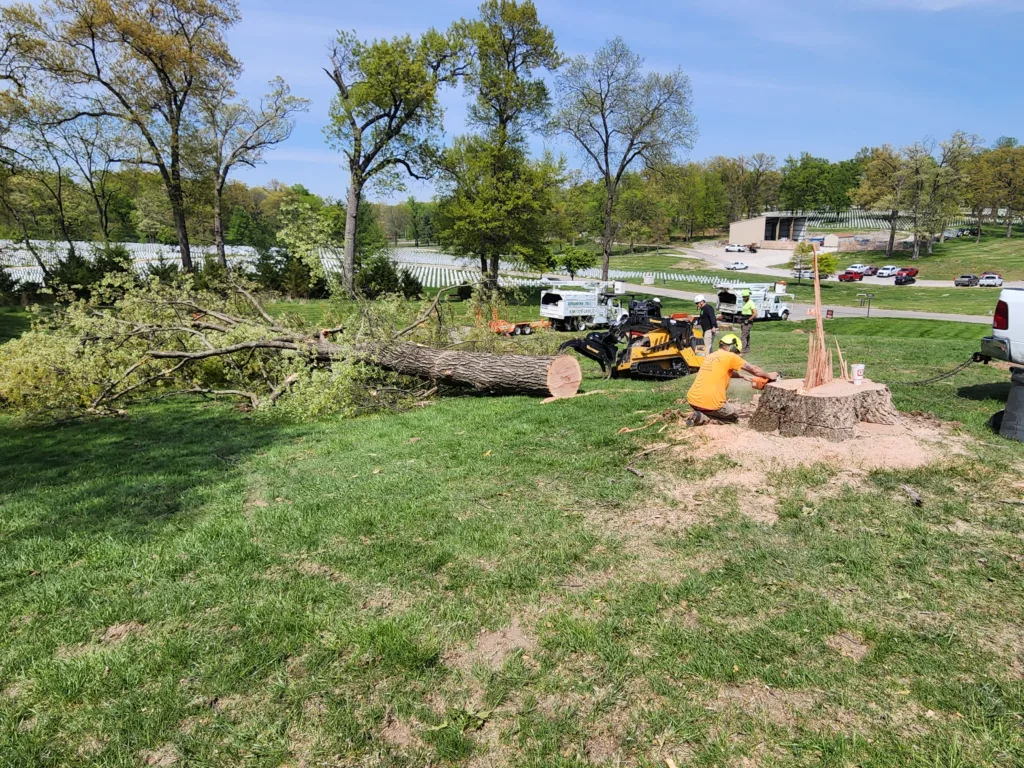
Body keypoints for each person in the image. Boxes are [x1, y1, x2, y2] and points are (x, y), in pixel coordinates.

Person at [686, 333, 778, 426]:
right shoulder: (731, 356)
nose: (737, 355)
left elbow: (724, 371)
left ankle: (699, 414)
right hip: (711, 404)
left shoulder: (710, 356)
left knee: (712, 407)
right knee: (734, 415)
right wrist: (769, 376)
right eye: (737, 352)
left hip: (692, 400)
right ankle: (702, 418)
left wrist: (742, 376)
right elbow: (754, 369)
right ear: (733, 348)